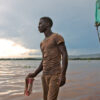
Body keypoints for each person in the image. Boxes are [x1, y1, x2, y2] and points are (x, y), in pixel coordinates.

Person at [26, 17, 68, 100]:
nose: (38, 26)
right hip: (44, 75)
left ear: (48, 24)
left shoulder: (56, 37)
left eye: (40, 23)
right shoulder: (42, 43)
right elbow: (43, 60)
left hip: (55, 75)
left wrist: (63, 75)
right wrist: (35, 73)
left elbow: (64, 54)